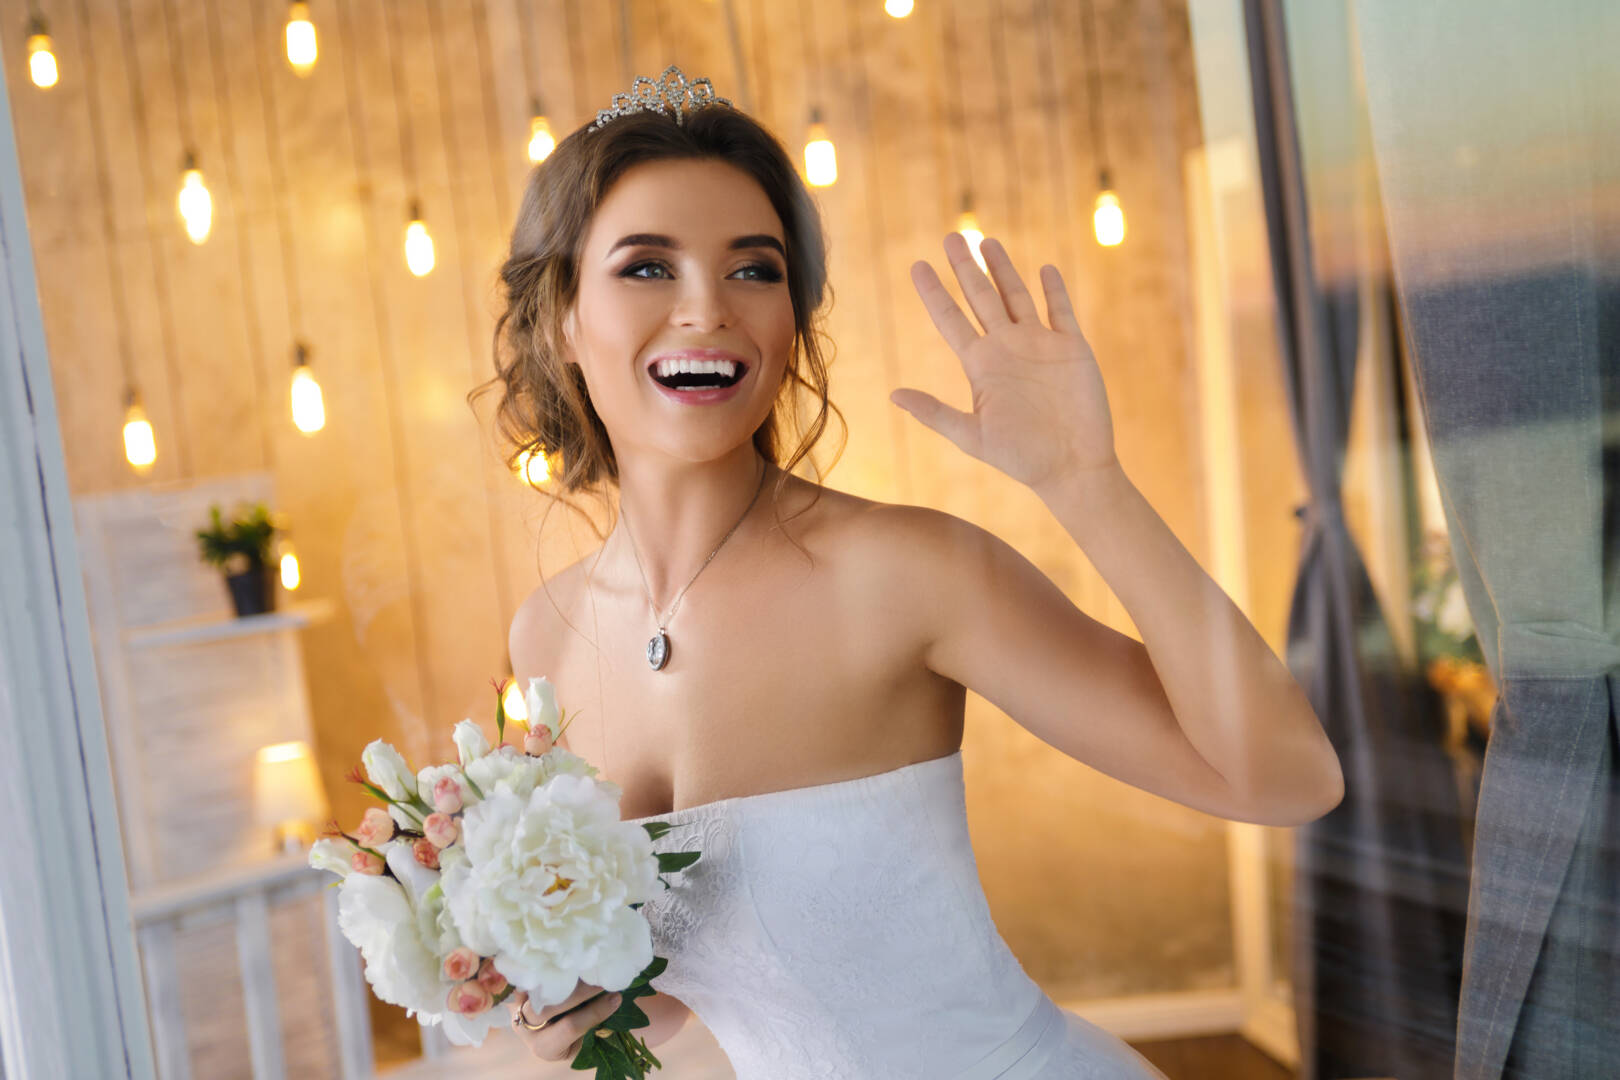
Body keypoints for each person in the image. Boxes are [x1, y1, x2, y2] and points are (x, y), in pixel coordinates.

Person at [481, 65, 1343, 1078]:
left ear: (791, 320)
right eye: (646, 267)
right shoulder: (544, 639)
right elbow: (688, 995)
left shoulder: (904, 572)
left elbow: (1288, 778)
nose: (707, 307)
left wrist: (1086, 481)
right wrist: (569, 1009)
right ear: (561, 320)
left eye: (754, 270)